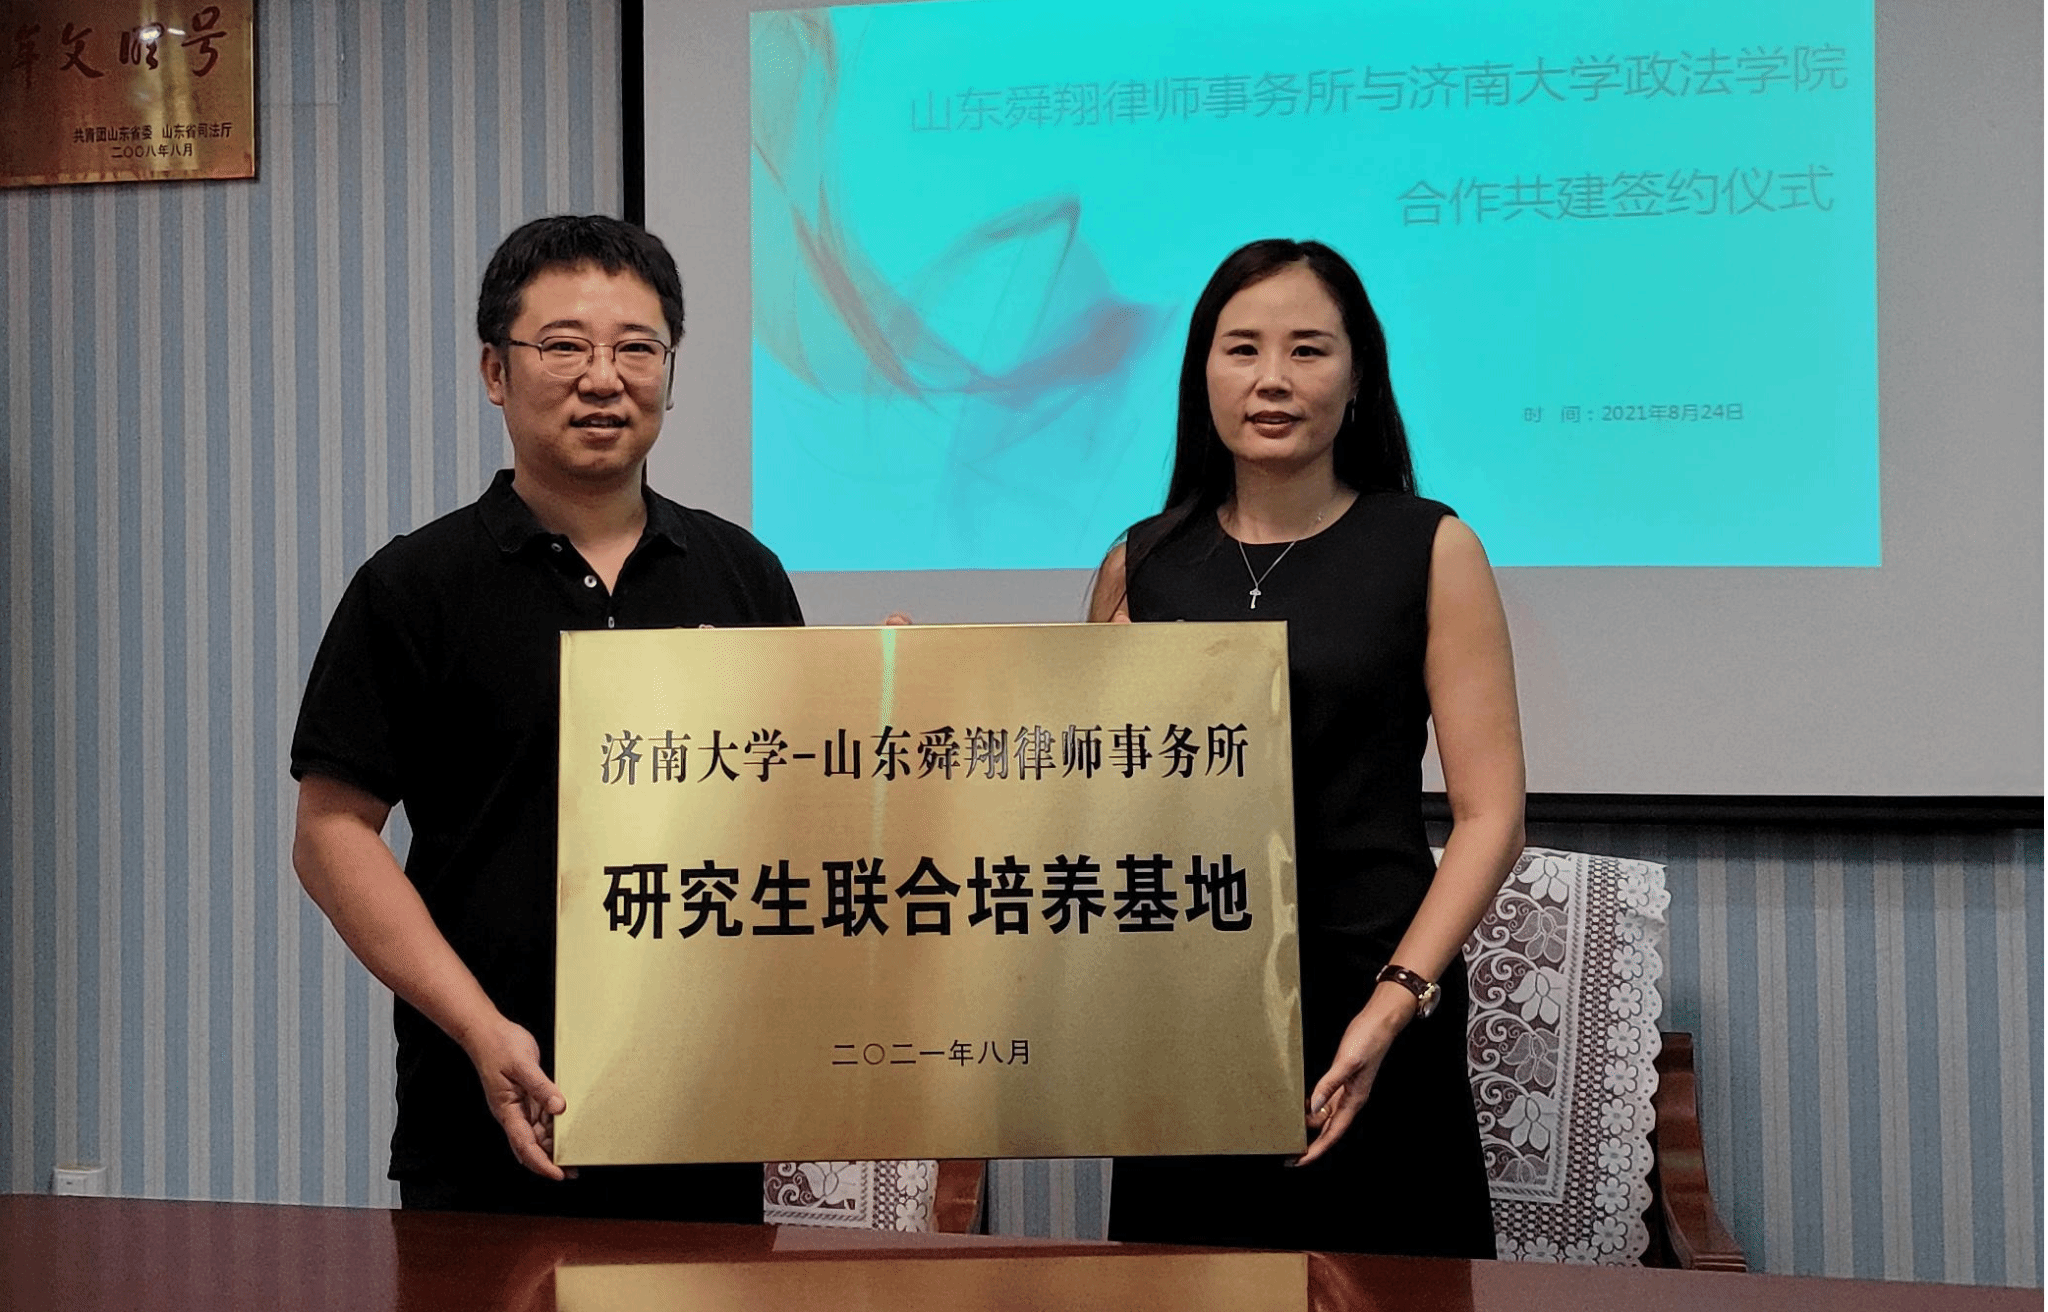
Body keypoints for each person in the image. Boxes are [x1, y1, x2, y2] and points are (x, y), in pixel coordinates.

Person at [289, 215, 802, 1217]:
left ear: (669, 372)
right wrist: (481, 1029)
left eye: (637, 348)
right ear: (496, 370)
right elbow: (331, 833)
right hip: (484, 1108)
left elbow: (791, 813)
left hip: (705, 1107)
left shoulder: (744, 574)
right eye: (564, 346)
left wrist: (881, 701)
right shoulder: (415, 585)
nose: (603, 378)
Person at [1090, 239, 1525, 1256]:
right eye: (1242, 348)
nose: (1273, 378)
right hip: (1186, 1007)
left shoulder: (1430, 546)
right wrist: (919, 687)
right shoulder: (1139, 564)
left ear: (1358, 375)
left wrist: (1396, 1001)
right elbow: (1096, 794)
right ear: (1202, 374)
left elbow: (1490, 815)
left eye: (1308, 350)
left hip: (1375, 993)